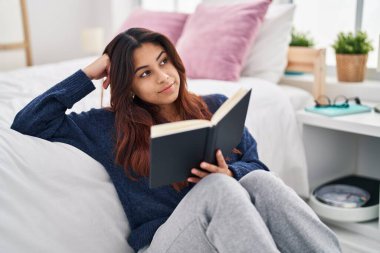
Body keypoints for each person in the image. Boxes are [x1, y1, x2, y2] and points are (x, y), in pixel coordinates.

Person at [11, 28, 342, 253]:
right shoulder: (107, 126)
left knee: (258, 180)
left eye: (163, 62)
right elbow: (29, 122)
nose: (163, 77)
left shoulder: (212, 105)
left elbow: (257, 166)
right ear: (128, 85)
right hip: (163, 241)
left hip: (220, 228)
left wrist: (232, 173)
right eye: (144, 73)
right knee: (216, 189)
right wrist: (90, 72)